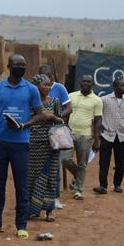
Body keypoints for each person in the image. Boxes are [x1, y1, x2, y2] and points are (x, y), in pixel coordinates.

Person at [0, 54, 49, 239]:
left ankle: (21, 225)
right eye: (18, 64)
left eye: (24, 64)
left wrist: (24, 125)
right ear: (9, 66)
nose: (21, 67)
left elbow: (40, 114)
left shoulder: (31, 89)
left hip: (21, 143)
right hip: (0, 142)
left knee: (21, 185)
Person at [27, 73, 64, 221]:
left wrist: (52, 117)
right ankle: (33, 209)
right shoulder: (29, 102)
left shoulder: (55, 101)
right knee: (31, 177)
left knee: (50, 177)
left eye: (49, 85)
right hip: (33, 144)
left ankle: (49, 211)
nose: (47, 88)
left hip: (51, 145)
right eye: (45, 85)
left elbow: (61, 121)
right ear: (36, 87)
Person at [94, 77, 124, 194]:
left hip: (122, 136)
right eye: (121, 85)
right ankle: (103, 186)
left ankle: (117, 185)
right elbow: (97, 113)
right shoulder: (104, 100)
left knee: (120, 162)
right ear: (114, 87)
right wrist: (100, 124)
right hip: (107, 135)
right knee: (104, 161)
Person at [63, 74, 102, 200]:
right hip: (69, 133)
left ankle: (78, 190)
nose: (86, 83)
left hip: (85, 135)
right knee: (64, 159)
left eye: (88, 82)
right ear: (80, 83)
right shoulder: (71, 96)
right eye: (84, 81)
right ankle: (77, 174)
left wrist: (97, 140)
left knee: (82, 164)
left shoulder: (97, 100)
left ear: (92, 84)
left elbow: (98, 121)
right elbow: (65, 114)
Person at [38, 64, 72, 210]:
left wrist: (57, 116)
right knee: (36, 166)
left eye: (49, 76)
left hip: (55, 132)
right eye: (43, 76)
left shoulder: (60, 88)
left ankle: (55, 197)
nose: (47, 79)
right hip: (37, 132)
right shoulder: (34, 89)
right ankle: (36, 197)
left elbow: (69, 107)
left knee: (55, 166)